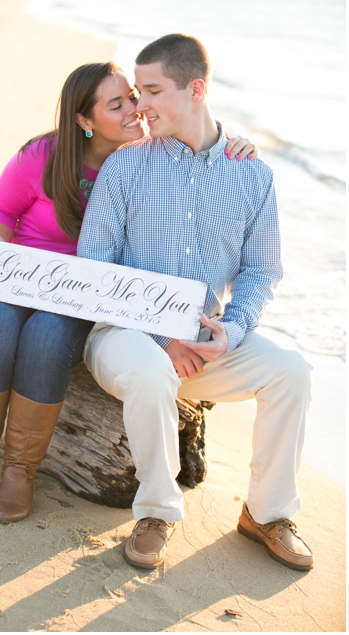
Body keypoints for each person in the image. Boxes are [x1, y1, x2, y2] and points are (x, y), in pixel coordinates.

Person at [0, 62, 257, 523]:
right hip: (20, 275)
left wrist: (238, 140)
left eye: (132, 96)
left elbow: (199, 139)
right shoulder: (45, 154)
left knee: (45, 336)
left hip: (82, 291)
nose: (135, 109)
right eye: (117, 103)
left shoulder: (150, 154)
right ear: (85, 121)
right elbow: (0, 207)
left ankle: (19, 473)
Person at [78, 34, 313, 571]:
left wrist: (231, 330)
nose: (139, 105)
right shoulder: (125, 168)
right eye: (136, 92)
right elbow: (95, 271)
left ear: (197, 89)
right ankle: (157, 513)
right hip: (122, 338)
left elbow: (261, 271)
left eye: (152, 90)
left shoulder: (251, 173)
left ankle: (267, 514)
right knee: (150, 373)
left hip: (203, 344)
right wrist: (164, 333)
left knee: (292, 372)